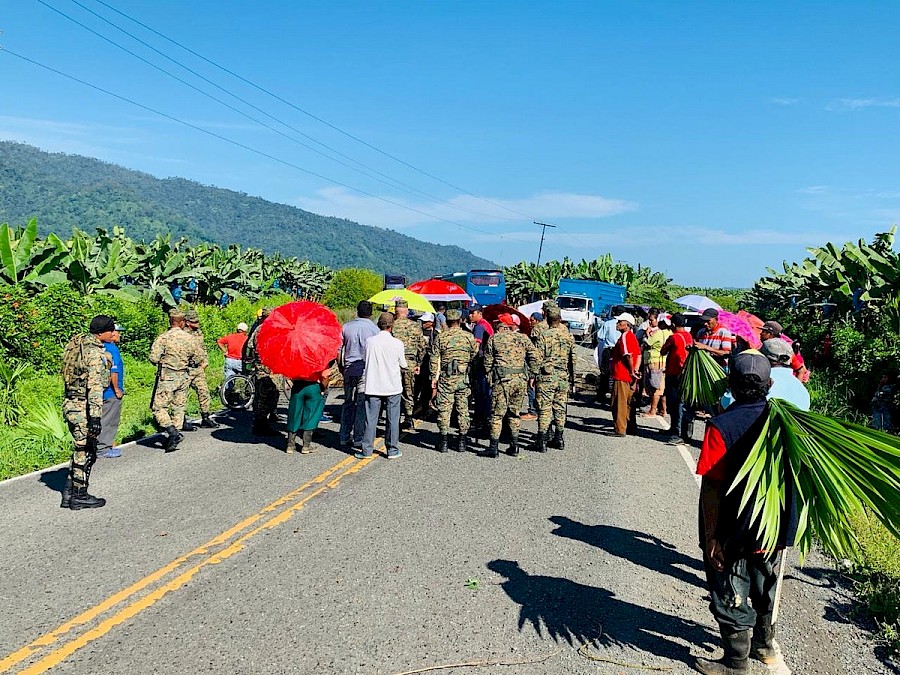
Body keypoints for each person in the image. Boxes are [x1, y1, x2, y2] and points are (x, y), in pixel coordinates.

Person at [695, 350, 795, 675]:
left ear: (730, 385)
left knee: (729, 590)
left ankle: (736, 664)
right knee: (765, 585)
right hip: (773, 527)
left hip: (733, 529)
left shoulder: (721, 426)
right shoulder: (788, 422)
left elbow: (712, 486)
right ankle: (765, 645)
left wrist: (712, 536)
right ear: (769, 383)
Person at [60, 315, 115, 509]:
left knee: (80, 448)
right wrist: (96, 417)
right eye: (111, 330)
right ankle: (79, 494)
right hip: (84, 407)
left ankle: (69, 493)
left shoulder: (78, 344)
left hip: (71, 403)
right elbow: (95, 388)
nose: (114, 333)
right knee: (86, 450)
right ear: (102, 333)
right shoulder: (94, 353)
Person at [483, 314, 540, 457]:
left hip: (502, 380)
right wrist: (532, 373)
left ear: (501, 324)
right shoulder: (523, 338)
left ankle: (493, 448)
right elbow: (535, 356)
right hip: (520, 380)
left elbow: (487, 361)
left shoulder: (495, 338)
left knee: (497, 414)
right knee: (514, 413)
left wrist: (490, 376)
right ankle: (514, 446)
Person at [149, 309, 203, 452]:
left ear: (170, 321)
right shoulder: (190, 338)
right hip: (184, 376)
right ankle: (175, 434)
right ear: (182, 323)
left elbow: (153, 358)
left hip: (167, 376)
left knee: (158, 407)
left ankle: (172, 432)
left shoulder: (163, 338)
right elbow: (198, 358)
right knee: (178, 407)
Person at [358, 312, 407, 460]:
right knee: (393, 419)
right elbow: (403, 364)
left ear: (378, 325)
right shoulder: (397, 343)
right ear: (392, 326)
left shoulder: (370, 341)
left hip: (373, 385)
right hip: (392, 386)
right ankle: (392, 449)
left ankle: (366, 449)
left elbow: (365, 359)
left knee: (370, 419)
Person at [430, 309, 478, 452]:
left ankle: (443, 440)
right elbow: (474, 354)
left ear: (446, 321)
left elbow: (434, 359)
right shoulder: (468, 337)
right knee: (463, 408)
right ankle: (462, 441)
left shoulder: (441, 337)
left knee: (444, 409)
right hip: (463, 377)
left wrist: (434, 378)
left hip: (446, 377)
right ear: (460, 320)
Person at [533, 306, 576, 452]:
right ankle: (559, 438)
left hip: (547, 376)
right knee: (560, 407)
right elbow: (573, 359)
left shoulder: (544, 335)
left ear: (548, 318)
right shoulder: (568, 336)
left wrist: (533, 375)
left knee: (544, 408)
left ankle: (542, 440)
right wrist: (572, 379)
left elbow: (537, 358)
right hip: (563, 376)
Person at [338, 301, 380, 451]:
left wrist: (340, 367)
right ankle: (358, 437)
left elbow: (339, 349)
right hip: (364, 370)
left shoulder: (346, 327)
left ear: (357, 311)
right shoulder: (374, 329)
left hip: (348, 369)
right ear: (371, 313)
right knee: (362, 404)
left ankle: (344, 435)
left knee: (348, 402)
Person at [244, 307, 283, 437]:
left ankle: (260, 423)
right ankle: (261, 424)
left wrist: (250, 362)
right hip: (268, 368)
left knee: (263, 396)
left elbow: (249, 347)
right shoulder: (271, 330)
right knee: (267, 396)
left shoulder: (257, 329)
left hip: (261, 367)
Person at [286, 360, 337, 454]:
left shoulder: (295, 358)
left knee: (294, 414)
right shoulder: (317, 358)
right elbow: (325, 376)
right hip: (313, 386)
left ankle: (290, 445)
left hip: (298, 387)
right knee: (311, 415)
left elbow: (289, 375)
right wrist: (322, 388)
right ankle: (306, 445)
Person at [391, 299, 426, 429]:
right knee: (408, 390)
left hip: (394, 363)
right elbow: (422, 346)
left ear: (395, 310)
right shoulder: (415, 326)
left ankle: (394, 416)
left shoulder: (392, 325)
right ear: (406, 311)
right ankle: (409, 417)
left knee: (393, 391)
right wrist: (419, 363)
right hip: (410, 362)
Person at [661, 313, 694, 444]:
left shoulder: (673, 337)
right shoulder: (689, 336)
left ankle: (677, 431)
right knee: (681, 403)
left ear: (673, 325)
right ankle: (675, 428)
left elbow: (663, 351)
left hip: (675, 374)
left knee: (675, 403)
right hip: (685, 374)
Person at [183, 310, 219, 430]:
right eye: (194, 321)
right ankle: (181, 420)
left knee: (204, 392)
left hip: (198, 369)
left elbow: (202, 348)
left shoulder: (198, 332)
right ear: (188, 322)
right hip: (186, 369)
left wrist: (205, 360)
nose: (197, 323)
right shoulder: (182, 334)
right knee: (182, 395)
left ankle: (205, 417)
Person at [610, 312, 641, 437]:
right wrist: (635, 370)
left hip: (622, 374)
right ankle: (630, 426)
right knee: (629, 403)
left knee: (619, 403)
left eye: (620, 322)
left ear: (627, 325)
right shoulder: (633, 337)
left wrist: (632, 370)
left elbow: (628, 356)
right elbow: (638, 354)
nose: (617, 324)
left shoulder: (625, 337)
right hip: (629, 375)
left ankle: (620, 429)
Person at [97, 323, 125, 459]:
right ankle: (103, 448)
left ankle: (107, 444)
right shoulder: (111, 349)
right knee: (110, 419)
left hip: (102, 391)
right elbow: (113, 371)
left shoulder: (101, 348)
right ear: (112, 333)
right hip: (110, 391)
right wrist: (117, 389)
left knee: (103, 418)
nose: (119, 335)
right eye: (117, 332)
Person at [469, 304, 493, 433]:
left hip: (482, 363)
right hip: (488, 363)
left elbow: (476, 346)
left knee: (481, 393)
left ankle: (480, 421)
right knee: (486, 393)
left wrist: (470, 359)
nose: (470, 315)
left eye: (473, 313)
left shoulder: (480, 326)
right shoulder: (486, 324)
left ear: (479, 313)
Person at [642, 311, 671, 418]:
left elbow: (647, 342)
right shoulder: (669, 333)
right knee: (661, 387)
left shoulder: (659, 333)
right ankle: (663, 410)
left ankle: (653, 411)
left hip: (654, 361)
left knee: (655, 387)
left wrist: (647, 334)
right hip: (663, 362)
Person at [594, 304, 626, 403]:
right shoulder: (626, 325)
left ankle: (601, 395)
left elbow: (600, 336)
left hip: (609, 350)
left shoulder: (608, 323)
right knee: (617, 373)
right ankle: (615, 396)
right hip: (620, 351)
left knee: (605, 373)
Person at [414, 312, 438, 417]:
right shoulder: (418, 333)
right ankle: (412, 407)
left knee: (427, 388)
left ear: (431, 322)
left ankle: (425, 407)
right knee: (416, 386)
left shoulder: (436, 334)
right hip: (419, 364)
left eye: (425, 321)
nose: (423, 323)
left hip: (430, 364)